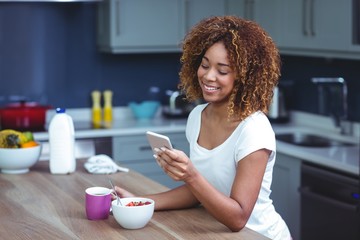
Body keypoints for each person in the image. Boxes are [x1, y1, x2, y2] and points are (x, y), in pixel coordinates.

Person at [114, 16, 291, 240]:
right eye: (205, 65)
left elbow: (238, 218)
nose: (208, 76)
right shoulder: (197, 116)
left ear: (244, 77)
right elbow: (198, 192)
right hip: (217, 232)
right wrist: (140, 202)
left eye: (222, 70)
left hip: (259, 235)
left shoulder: (253, 130)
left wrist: (191, 175)